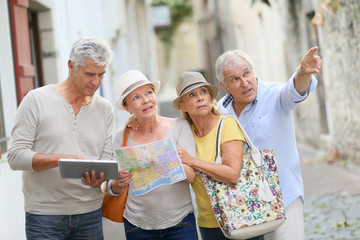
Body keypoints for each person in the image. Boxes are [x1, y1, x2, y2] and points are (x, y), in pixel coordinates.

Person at [7, 36, 114, 240]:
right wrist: (61, 160)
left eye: (101, 74)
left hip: (90, 214)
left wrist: (100, 177)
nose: (96, 82)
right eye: (89, 74)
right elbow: (15, 156)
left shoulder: (104, 109)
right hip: (44, 217)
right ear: (71, 66)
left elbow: (106, 160)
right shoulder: (36, 100)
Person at [215, 47, 322, 240]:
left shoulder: (275, 95)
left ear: (253, 72)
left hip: (283, 197)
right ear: (225, 86)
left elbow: (295, 90)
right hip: (244, 202)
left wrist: (303, 72)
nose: (244, 82)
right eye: (235, 79)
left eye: (246, 73)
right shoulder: (220, 110)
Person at [106, 70, 198, 240]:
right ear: (127, 108)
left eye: (149, 92)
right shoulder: (121, 136)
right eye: (136, 97)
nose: (146, 100)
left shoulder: (179, 126)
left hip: (180, 222)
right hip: (137, 225)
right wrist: (118, 183)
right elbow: (112, 187)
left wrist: (166, 160)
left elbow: (192, 175)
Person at [172, 71, 264, 240]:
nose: (200, 98)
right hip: (208, 225)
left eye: (204, 92)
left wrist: (191, 160)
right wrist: (133, 122)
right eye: (192, 95)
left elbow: (232, 174)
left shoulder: (226, 124)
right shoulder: (184, 132)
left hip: (241, 216)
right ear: (183, 106)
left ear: (210, 97)